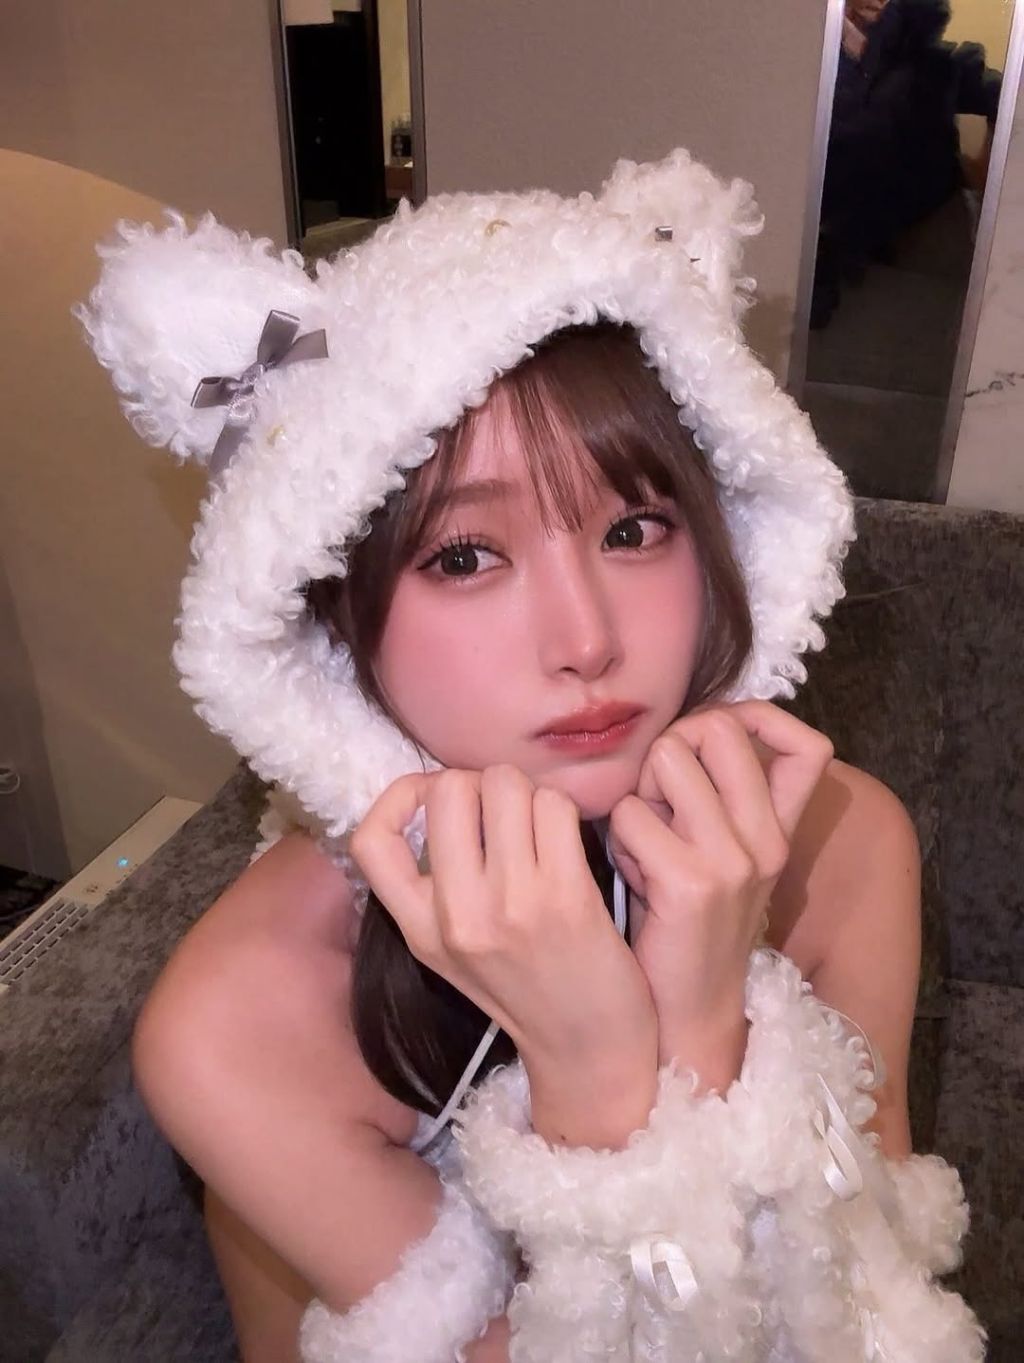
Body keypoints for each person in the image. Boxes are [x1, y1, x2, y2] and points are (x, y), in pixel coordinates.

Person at [76, 148, 984, 1362]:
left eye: (633, 527)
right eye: (465, 557)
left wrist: (705, 1014)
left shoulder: (845, 843)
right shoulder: (239, 1018)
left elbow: (871, 1312)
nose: (585, 640)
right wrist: (604, 1070)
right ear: (333, 619)